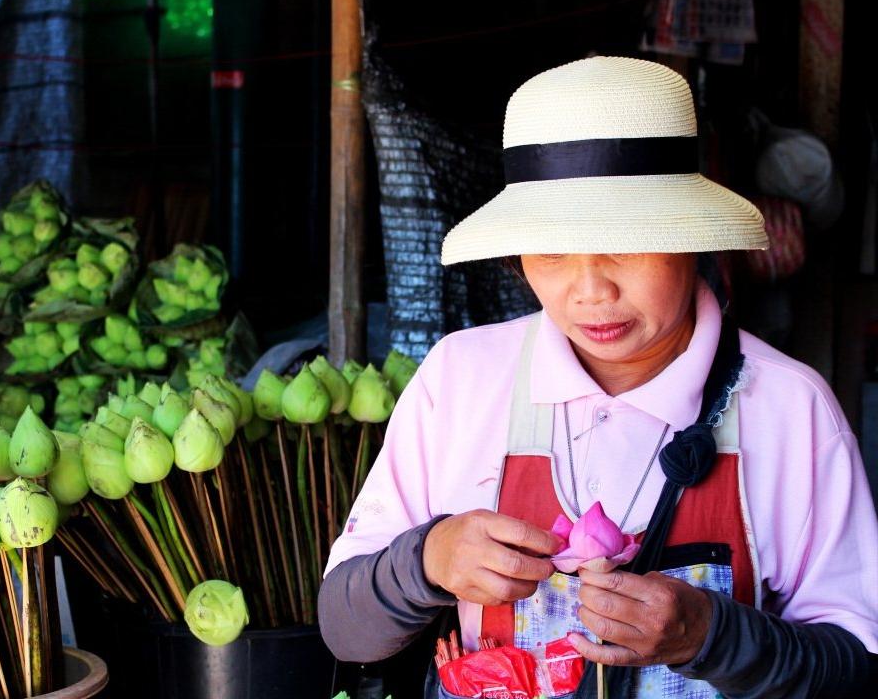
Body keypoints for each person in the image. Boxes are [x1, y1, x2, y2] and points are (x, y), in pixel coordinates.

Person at [318, 57, 878, 698]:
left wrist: (712, 635)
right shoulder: (462, 380)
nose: (591, 291)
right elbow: (344, 627)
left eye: (628, 241)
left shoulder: (788, 407)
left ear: (690, 237)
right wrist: (426, 561)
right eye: (553, 251)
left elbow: (858, 669)